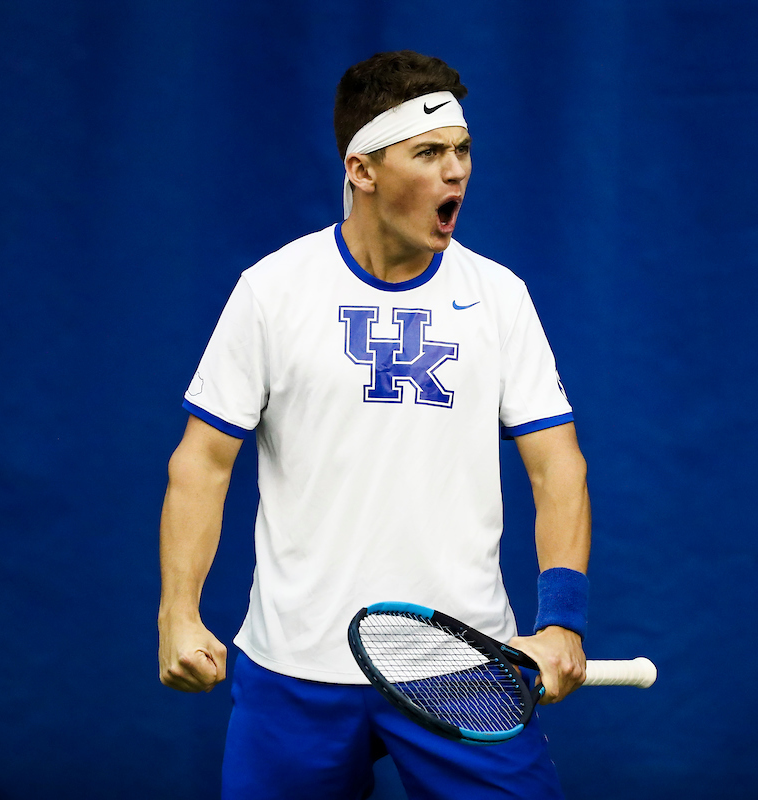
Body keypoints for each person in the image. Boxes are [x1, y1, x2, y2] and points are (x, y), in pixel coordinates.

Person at [157, 50, 592, 799]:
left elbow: (558, 466)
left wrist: (562, 621)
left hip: (459, 663)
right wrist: (177, 611)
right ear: (361, 170)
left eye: (462, 151)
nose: (456, 171)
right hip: (294, 666)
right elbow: (203, 462)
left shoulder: (500, 297)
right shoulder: (272, 292)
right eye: (429, 153)